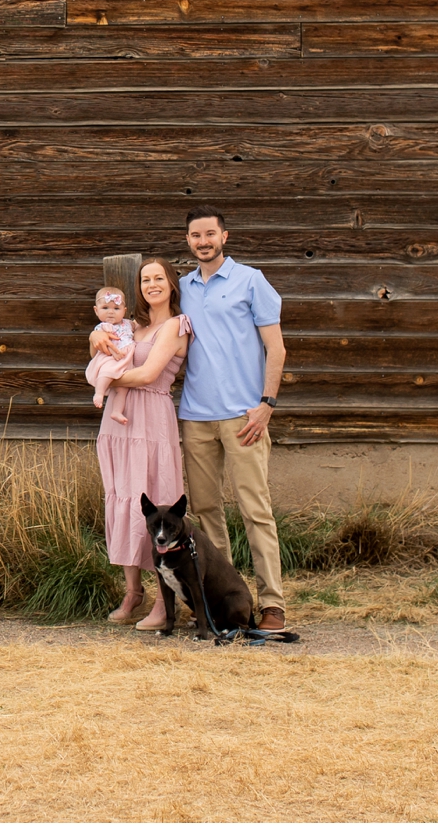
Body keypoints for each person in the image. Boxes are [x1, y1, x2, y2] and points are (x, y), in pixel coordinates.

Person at [175, 207, 288, 632]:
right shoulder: (182, 288)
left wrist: (266, 403)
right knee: (204, 514)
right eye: (195, 235)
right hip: (196, 416)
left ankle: (272, 603)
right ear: (187, 241)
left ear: (224, 236)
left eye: (209, 233)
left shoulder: (251, 281)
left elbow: (275, 349)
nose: (203, 241)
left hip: (245, 416)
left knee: (255, 510)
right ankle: (220, 602)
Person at [97, 256, 189, 628]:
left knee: (152, 499)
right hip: (119, 422)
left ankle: (165, 601)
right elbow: (100, 343)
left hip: (150, 419)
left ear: (171, 284)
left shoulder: (176, 326)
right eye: (145, 279)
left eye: (158, 278)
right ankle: (133, 592)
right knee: (122, 498)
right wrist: (94, 336)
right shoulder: (132, 326)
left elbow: (150, 373)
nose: (151, 285)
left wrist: (103, 383)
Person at [84, 286, 136, 425]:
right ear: (96, 310)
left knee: (123, 390)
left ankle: (117, 411)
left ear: (124, 311)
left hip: (125, 361)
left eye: (116, 309)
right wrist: (115, 353)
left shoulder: (129, 324)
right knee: (106, 372)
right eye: (105, 308)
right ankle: (99, 393)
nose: (111, 312)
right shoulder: (102, 328)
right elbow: (107, 344)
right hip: (111, 358)